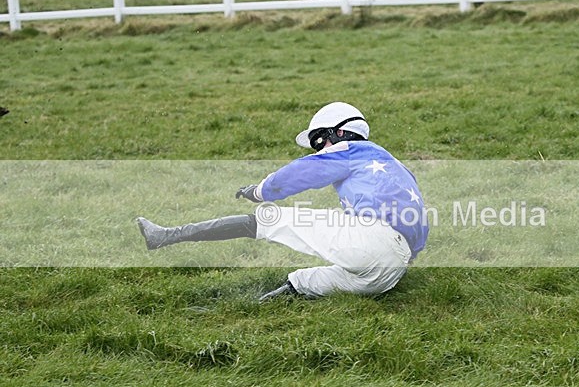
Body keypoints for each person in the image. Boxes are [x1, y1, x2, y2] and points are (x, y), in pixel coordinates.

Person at [136, 102, 429, 301]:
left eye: (319, 141)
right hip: (391, 273)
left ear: (340, 132)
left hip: (371, 244)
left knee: (267, 219)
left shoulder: (350, 149)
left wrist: (259, 191)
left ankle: (164, 236)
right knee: (304, 281)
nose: (319, 149)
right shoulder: (398, 166)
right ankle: (261, 307)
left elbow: (300, 173)